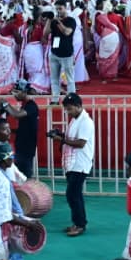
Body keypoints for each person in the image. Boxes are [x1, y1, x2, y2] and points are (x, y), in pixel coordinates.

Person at [50, 92, 93, 237]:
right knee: (75, 194)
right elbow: (73, 138)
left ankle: (80, 224)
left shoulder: (86, 121)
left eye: (69, 109)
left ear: (78, 106)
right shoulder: (75, 119)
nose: (68, 112)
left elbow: (81, 143)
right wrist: (61, 135)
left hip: (80, 163)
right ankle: (78, 223)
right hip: (73, 163)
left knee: (72, 195)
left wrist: (61, 140)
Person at [3, 82, 39, 178]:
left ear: (24, 92)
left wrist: (6, 105)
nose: (14, 94)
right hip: (21, 146)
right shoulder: (24, 105)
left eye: (17, 92)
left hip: (26, 148)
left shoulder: (31, 105)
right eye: (13, 92)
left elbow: (17, 115)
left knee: (24, 177)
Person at [47, 0, 77, 97]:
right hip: (54, 53)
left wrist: (58, 22)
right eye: (56, 9)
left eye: (60, 9)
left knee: (69, 79)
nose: (58, 11)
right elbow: (45, 33)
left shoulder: (71, 20)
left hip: (67, 54)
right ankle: (55, 99)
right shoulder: (54, 21)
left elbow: (67, 32)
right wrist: (49, 20)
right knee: (54, 79)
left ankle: (72, 99)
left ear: (66, 8)